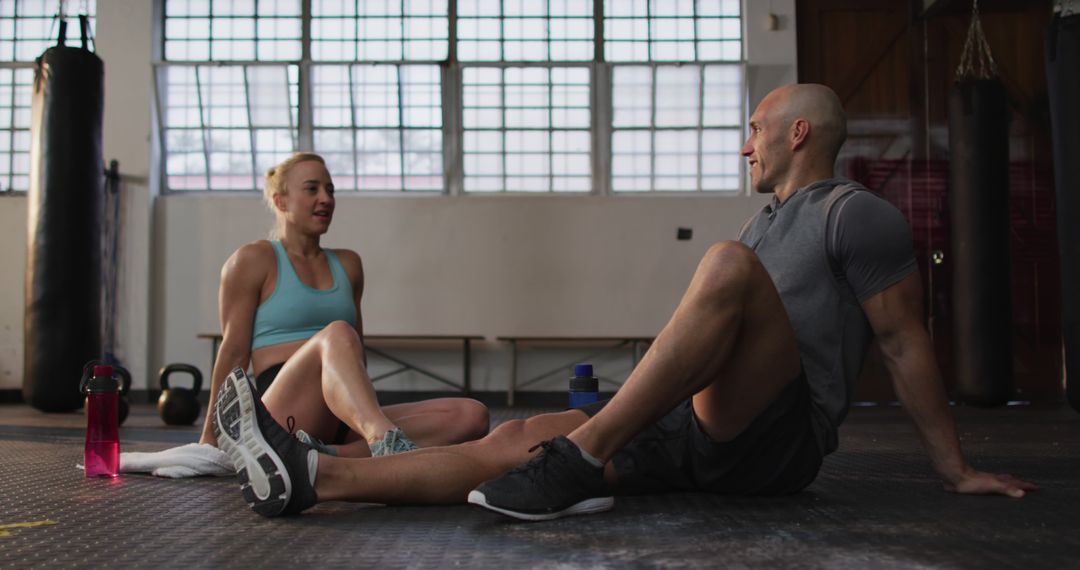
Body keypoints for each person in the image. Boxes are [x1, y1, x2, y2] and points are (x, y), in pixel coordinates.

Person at [213, 85, 1036, 519]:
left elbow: (902, 342)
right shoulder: (765, 220)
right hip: (699, 428)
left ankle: (581, 459)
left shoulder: (854, 213)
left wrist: (953, 469)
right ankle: (319, 478)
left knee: (721, 267)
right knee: (520, 434)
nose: (744, 141)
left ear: (798, 134)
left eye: (756, 127)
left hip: (781, 441)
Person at [199, 152, 489, 459]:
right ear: (281, 201)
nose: (325, 199)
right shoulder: (252, 260)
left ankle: (327, 455)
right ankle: (382, 440)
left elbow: (357, 352)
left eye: (330, 190)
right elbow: (233, 352)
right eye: (312, 189)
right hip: (282, 412)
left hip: (343, 413)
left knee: (471, 415)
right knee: (337, 332)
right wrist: (209, 438)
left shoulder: (349, 265)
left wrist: (365, 408)